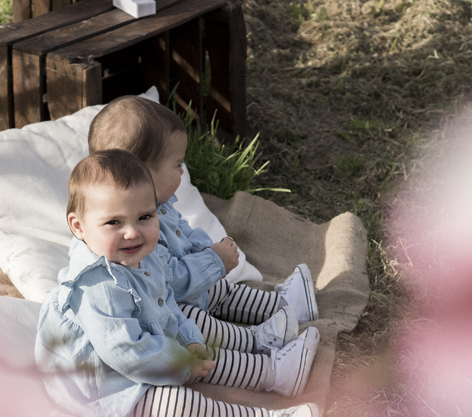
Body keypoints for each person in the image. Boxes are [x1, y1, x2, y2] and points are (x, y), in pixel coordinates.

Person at [35, 151, 321, 417]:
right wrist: (180, 364)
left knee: (204, 353)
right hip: (105, 389)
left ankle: (273, 372)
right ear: (79, 227)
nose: (132, 232)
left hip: (145, 352)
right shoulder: (95, 287)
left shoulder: (143, 256)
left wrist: (188, 339)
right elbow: (125, 352)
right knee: (178, 405)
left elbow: (167, 304)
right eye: (114, 223)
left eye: (145, 217)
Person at [87, 95, 320, 361]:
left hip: (193, 287)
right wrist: (214, 262)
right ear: (143, 173)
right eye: (177, 165)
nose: (182, 172)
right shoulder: (134, 235)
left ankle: (284, 305)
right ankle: (255, 341)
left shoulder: (161, 205)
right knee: (196, 320)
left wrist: (208, 251)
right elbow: (168, 281)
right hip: (170, 307)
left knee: (222, 289)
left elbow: (184, 233)